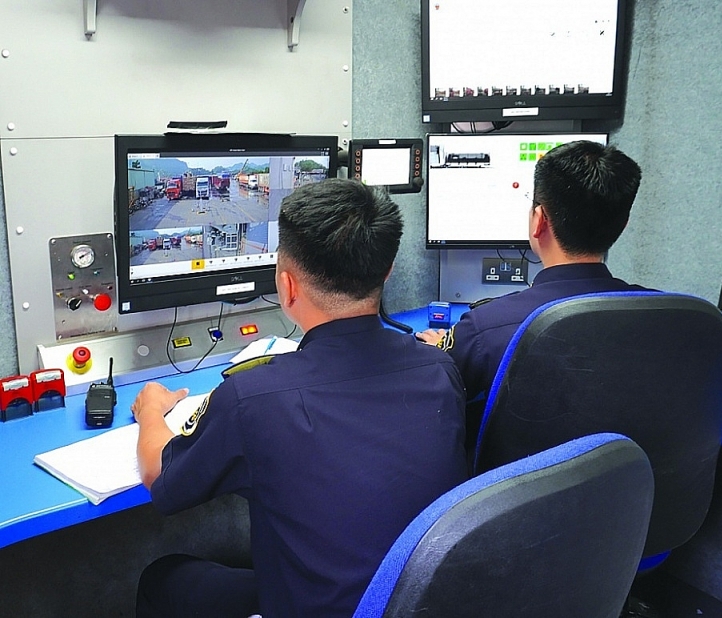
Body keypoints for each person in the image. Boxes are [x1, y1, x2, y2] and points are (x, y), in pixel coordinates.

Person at [133, 178, 468, 618]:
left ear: (287, 287)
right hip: (415, 601)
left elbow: (161, 479)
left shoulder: (252, 398)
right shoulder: (440, 370)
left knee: (164, 578)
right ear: (386, 271)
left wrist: (152, 412)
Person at [417, 140, 649, 434]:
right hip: (639, 479)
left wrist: (441, 348)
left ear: (539, 221)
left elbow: (429, 397)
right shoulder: (673, 318)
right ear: (623, 224)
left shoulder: (486, 329)